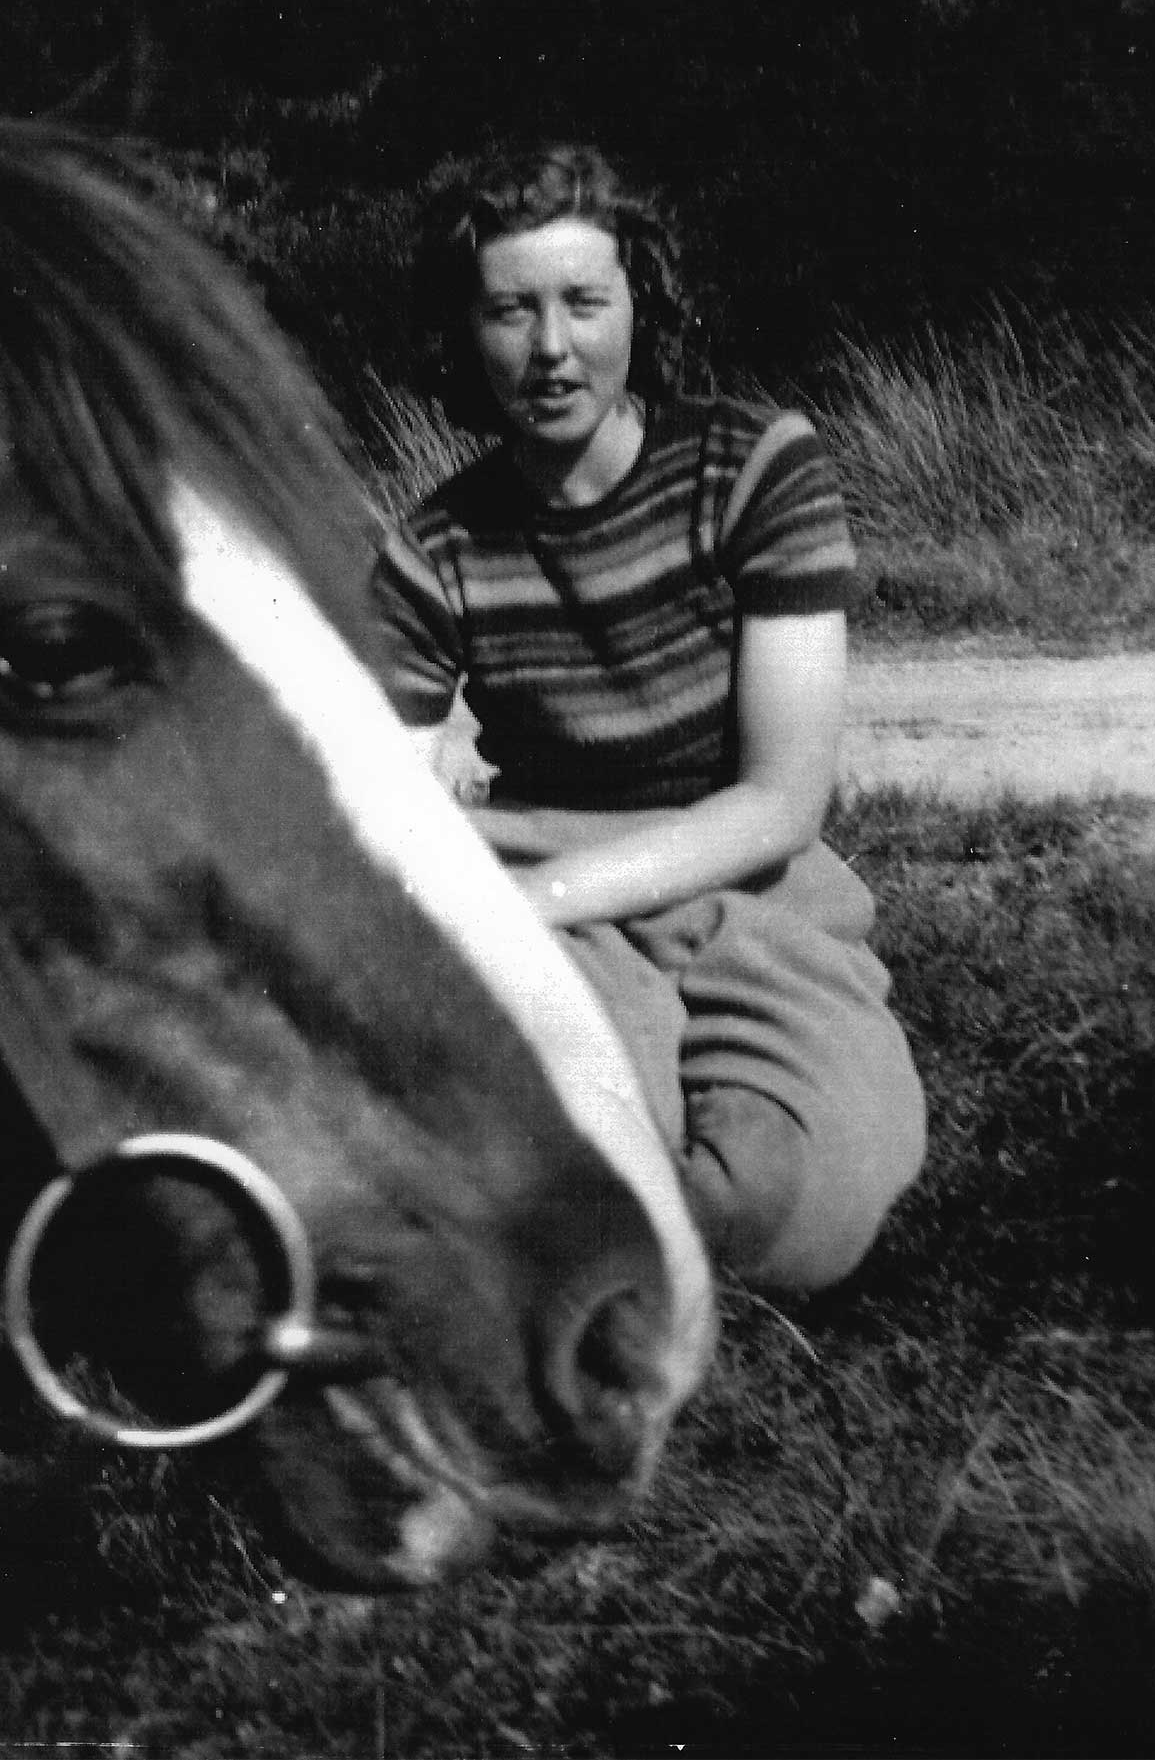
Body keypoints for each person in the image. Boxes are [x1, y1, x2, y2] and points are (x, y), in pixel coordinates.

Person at [371, 144, 925, 1294]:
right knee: (561, 1150)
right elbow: (390, 810)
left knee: (792, 1206)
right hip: (550, 915)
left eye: (585, 300)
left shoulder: (753, 466)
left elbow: (782, 801)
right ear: (465, 333)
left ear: (642, 304)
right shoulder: (435, 548)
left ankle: (607, 1233)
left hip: (750, 892)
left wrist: (544, 896)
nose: (552, 347)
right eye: (510, 310)